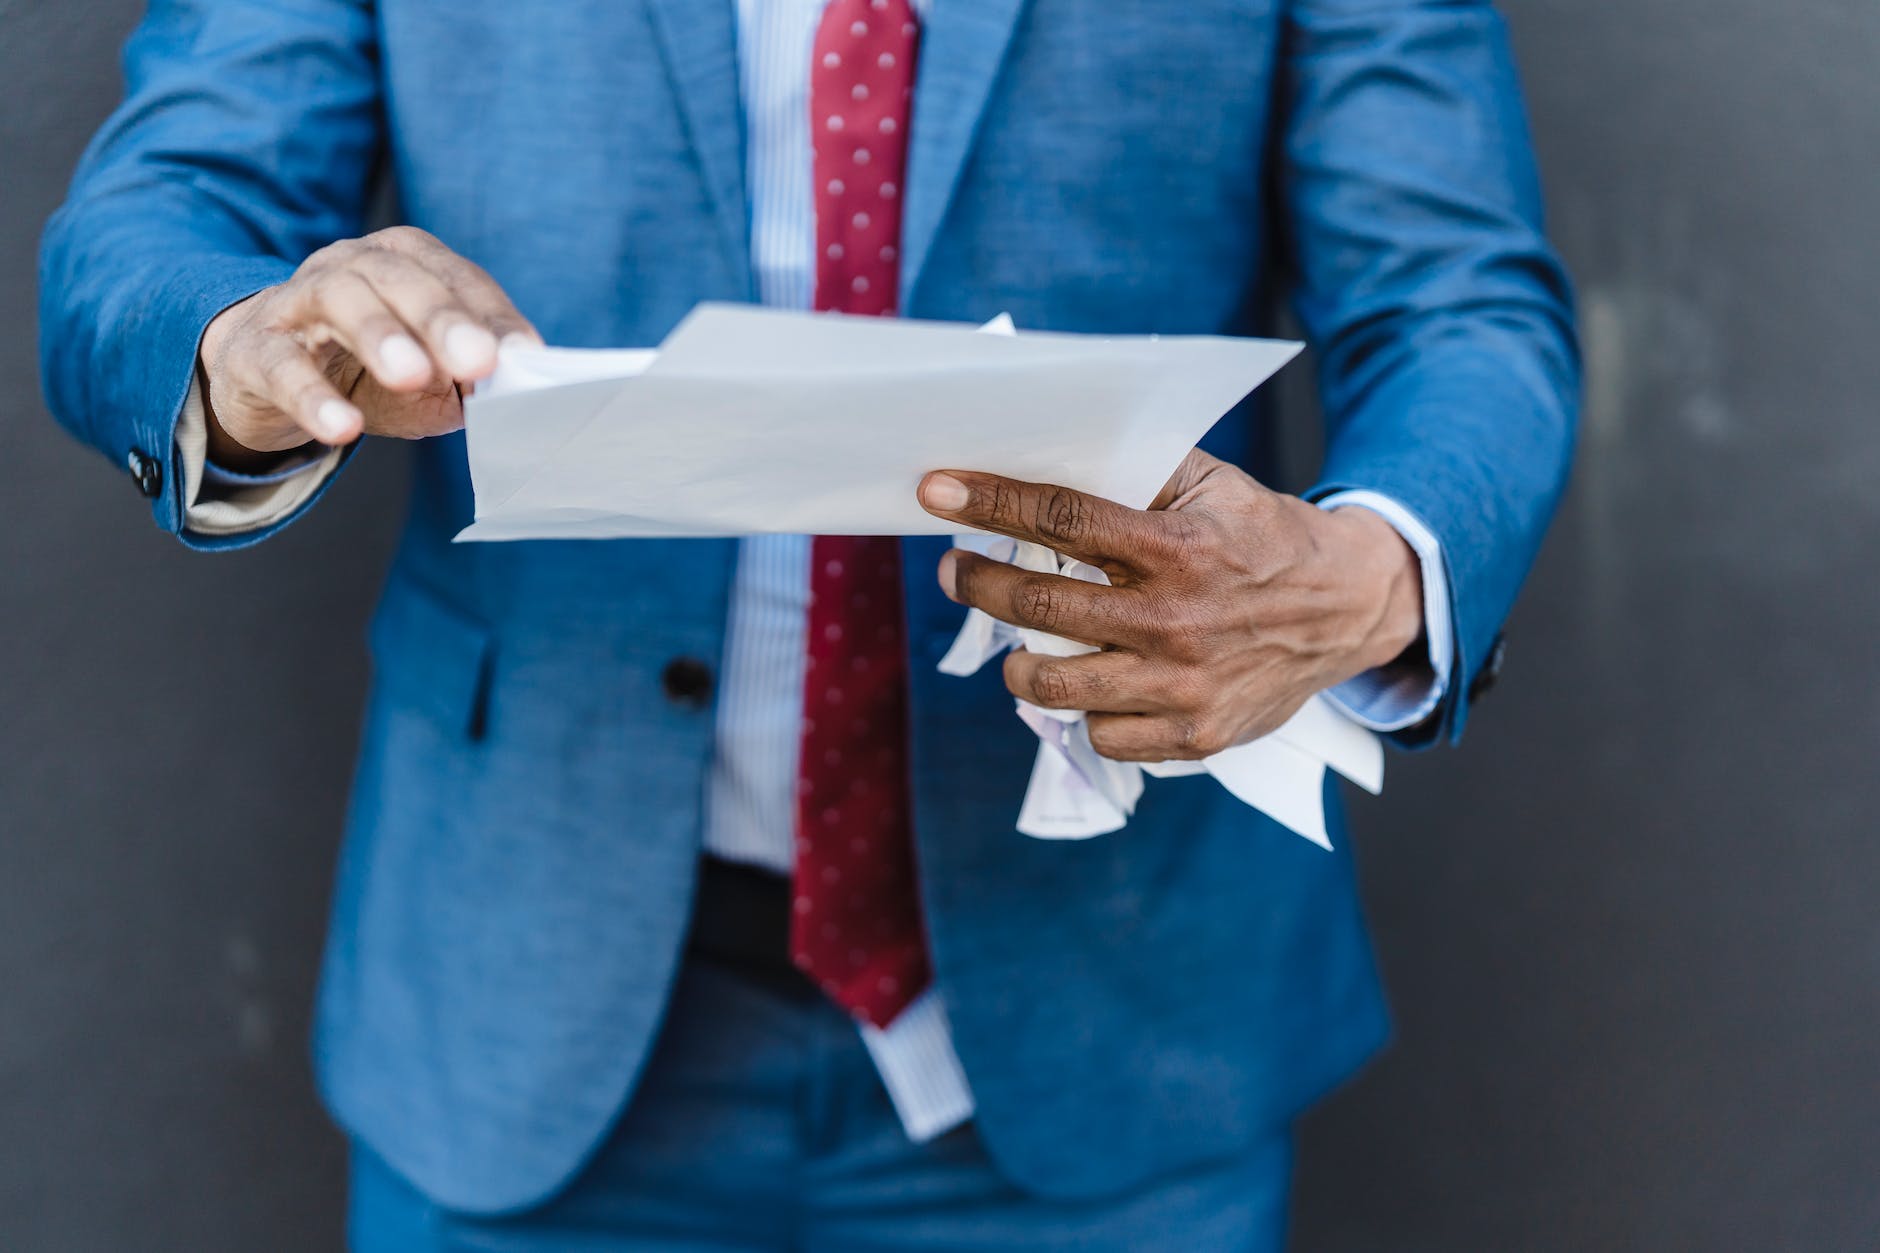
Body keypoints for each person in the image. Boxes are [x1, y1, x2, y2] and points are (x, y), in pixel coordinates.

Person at [39, 0, 1577, 1247]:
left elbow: (1456, 298)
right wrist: (243, 338)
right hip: (528, 995)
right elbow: (167, 206)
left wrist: (1368, 575)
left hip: (1118, 1012)